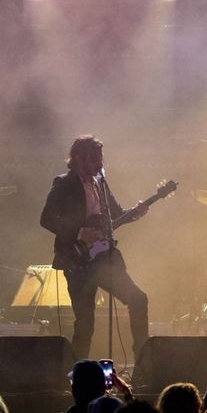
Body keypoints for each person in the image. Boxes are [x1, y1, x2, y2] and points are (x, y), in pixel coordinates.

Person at [40, 135, 150, 359]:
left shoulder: (100, 183)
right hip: (78, 260)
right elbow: (47, 218)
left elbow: (116, 215)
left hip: (103, 259)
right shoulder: (65, 183)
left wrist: (135, 213)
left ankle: (143, 362)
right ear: (78, 159)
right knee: (85, 323)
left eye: (100, 158)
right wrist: (80, 232)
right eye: (94, 159)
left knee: (138, 299)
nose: (99, 163)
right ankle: (78, 376)